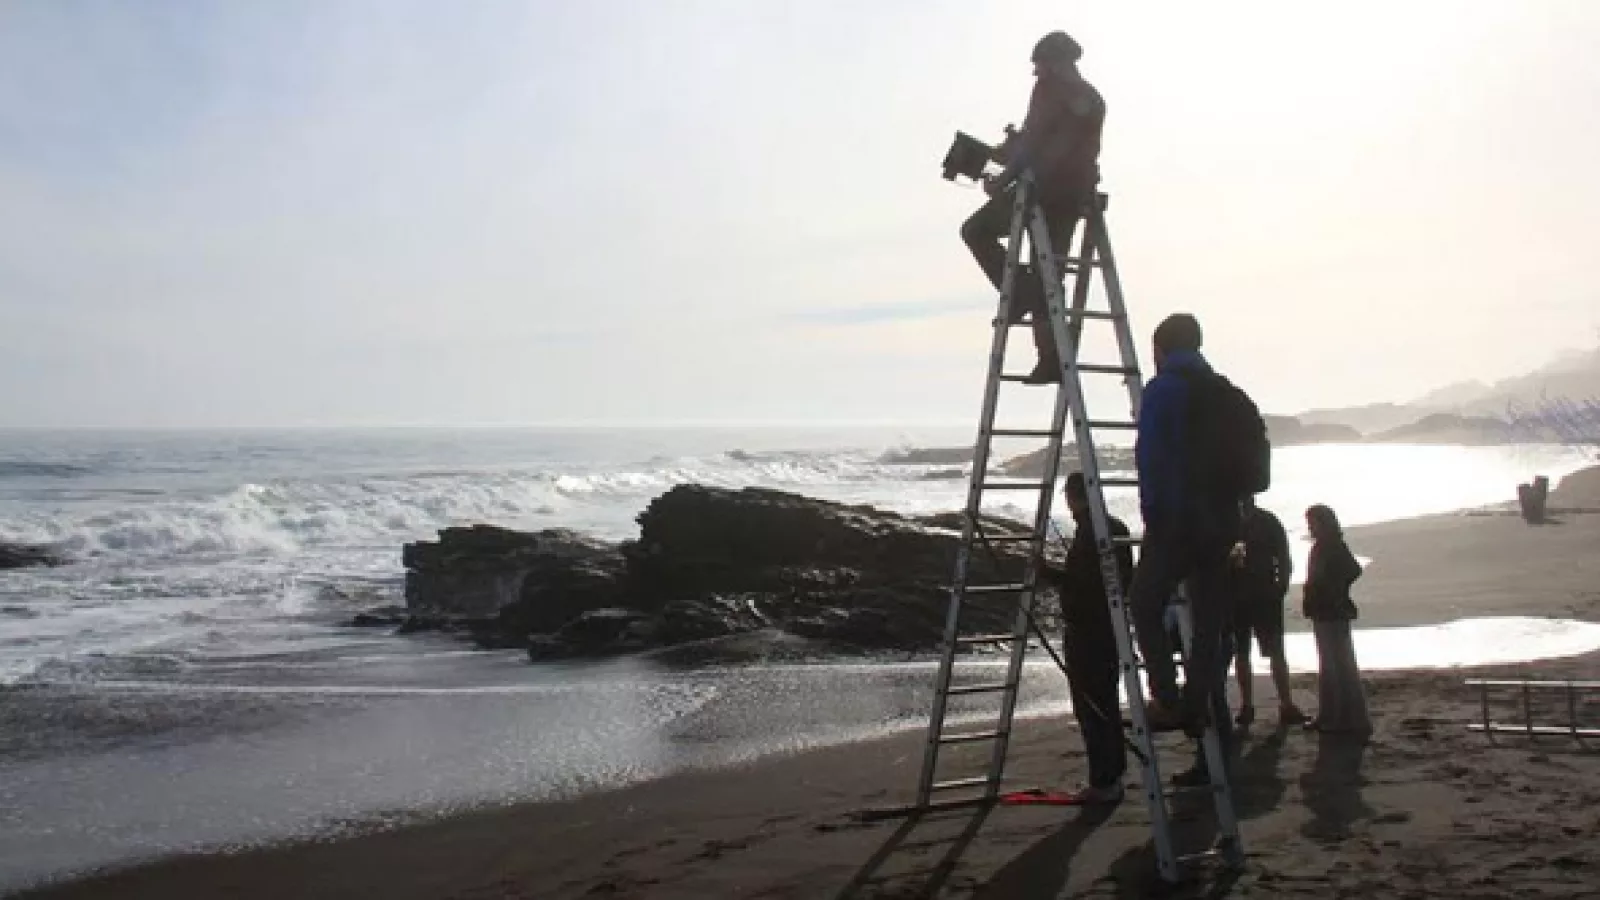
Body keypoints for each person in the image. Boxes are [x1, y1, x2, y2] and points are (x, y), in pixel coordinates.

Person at [960, 30, 1106, 385]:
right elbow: (1046, 141)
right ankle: (1052, 358)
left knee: (975, 231)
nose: (1037, 73)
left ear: (1053, 62)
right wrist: (1009, 152)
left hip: (1044, 190)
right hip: (1075, 194)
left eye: (1039, 66)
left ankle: (1020, 296)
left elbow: (1034, 146)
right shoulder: (1092, 96)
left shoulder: (1050, 90)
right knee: (1049, 272)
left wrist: (1001, 181)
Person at [1127, 313, 1240, 747]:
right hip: (1221, 523)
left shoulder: (1164, 391)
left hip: (1178, 521)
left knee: (1143, 603)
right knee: (1209, 620)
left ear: (1161, 349)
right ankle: (1196, 704)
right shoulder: (1222, 390)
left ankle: (1167, 696)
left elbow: (1152, 460)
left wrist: (1153, 518)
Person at [1043, 472, 1135, 804]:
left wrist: (1047, 573)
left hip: (1087, 632)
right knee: (1106, 701)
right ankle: (1113, 773)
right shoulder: (1116, 526)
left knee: (1091, 706)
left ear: (1073, 497)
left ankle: (1103, 780)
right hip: (1111, 628)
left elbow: (1082, 584)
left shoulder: (1089, 532)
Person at [1229, 497, 1305, 726]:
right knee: (1242, 652)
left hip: (1263, 594)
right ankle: (1248, 704)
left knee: (1274, 651)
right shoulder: (1229, 522)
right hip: (1238, 597)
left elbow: (1283, 555)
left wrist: (1281, 586)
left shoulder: (1266, 521)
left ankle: (1285, 703)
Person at [1302, 504, 1372, 734]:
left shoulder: (1332, 545)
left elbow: (1353, 570)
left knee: (1338, 666)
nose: (1310, 528)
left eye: (1313, 523)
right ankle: (1333, 716)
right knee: (1332, 664)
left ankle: (1344, 719)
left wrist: (1335, 591)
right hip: (1325, 610)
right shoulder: (1323, 546)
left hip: (1333, 611)